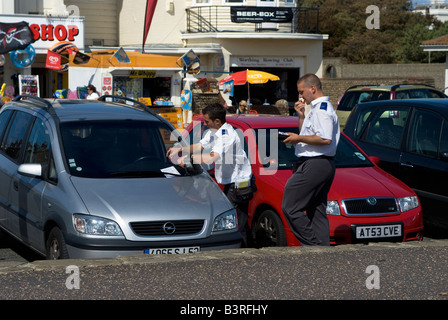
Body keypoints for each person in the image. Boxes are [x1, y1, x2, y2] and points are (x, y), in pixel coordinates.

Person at [166, 103, 253, 247]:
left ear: (217, 121)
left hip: (239, 185)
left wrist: (187, 159)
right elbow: (201, 146)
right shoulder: (214, 132)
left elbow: (212, 157)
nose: (204, 124)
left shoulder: (226, 136)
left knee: (237, 223)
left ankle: (244, 252)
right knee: (235, 220)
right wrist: (180, 149)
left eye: (207, 121)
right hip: (230, 182)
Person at [281, 73, 340, 246]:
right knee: (316, 210)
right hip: (319, 163)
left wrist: (297, 139)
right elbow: (309, 134)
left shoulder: (322, 109)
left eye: (301, 91)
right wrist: (301, 116)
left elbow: (324, 139)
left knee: (290, 207)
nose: (300, 96)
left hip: (316, 164)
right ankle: (322, 250)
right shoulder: (315, 108)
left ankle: (313, 246)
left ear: (312, 89)